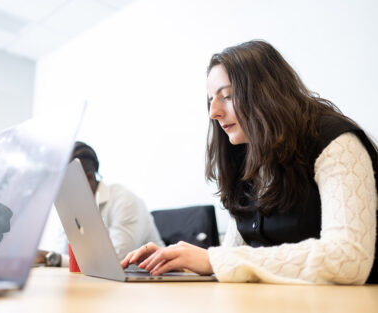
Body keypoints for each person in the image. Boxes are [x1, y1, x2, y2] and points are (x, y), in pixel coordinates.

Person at [121, 40, 378, 285]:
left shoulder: (335, 141)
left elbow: (349, 257)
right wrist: (181, 263)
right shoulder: (244, 157)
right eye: (211, 100)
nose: (214, 112)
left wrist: (214, 259)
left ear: (268, 94)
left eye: (228, 96)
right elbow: (235, 257)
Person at [36, 141, 164, 267]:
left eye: (64, 183)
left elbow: (115, 260)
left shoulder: (125, 201)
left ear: (89, 178)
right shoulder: (73, 206)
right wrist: (52, 257)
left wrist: (52, 258)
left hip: (155, 282)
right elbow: (64, 253)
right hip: (106, 282)